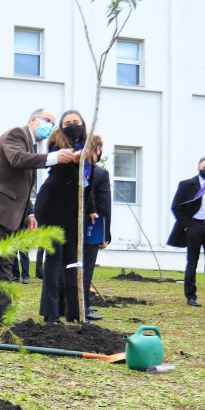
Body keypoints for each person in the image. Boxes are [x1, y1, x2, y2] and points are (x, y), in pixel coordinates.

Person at [0, 108, 76, 324]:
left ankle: (2, 315)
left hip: (11, 214)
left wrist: (29, 213)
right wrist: (54, 157)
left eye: (53, 122)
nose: (50, 125)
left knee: (4, 266)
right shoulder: (16, 135)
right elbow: (17, 159)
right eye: (47, 120)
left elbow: (22, 186)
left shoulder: (31, 146)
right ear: (33, 120)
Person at [35, 110, 95, 325]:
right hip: (52, 207)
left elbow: (87, 183)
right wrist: (75, 161)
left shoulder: (87, 147)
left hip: (73, 211)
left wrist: (91, 209)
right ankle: (50, 314)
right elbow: (63, 173)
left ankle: (75, 312)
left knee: (73, 261)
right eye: (67, 122)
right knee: (54, 259)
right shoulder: (57, 143)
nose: (72, 125)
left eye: (75, 122)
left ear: (83, 124)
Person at [167, 156, 205, 308]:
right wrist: (186, 224)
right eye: (204, 167)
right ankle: (191, 295)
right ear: (198, 169)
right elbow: (176, 207)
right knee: (192, 262)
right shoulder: (187, 184)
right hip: (194, 226)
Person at [81, 136, 111, 321]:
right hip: (92, 225)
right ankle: (83, 307)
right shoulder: (100, 174)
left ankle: (69, 305)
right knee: (86, 267)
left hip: (71, 224)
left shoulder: (75, 170)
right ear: (97, 149)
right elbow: (104, 204)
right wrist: (105, 234)